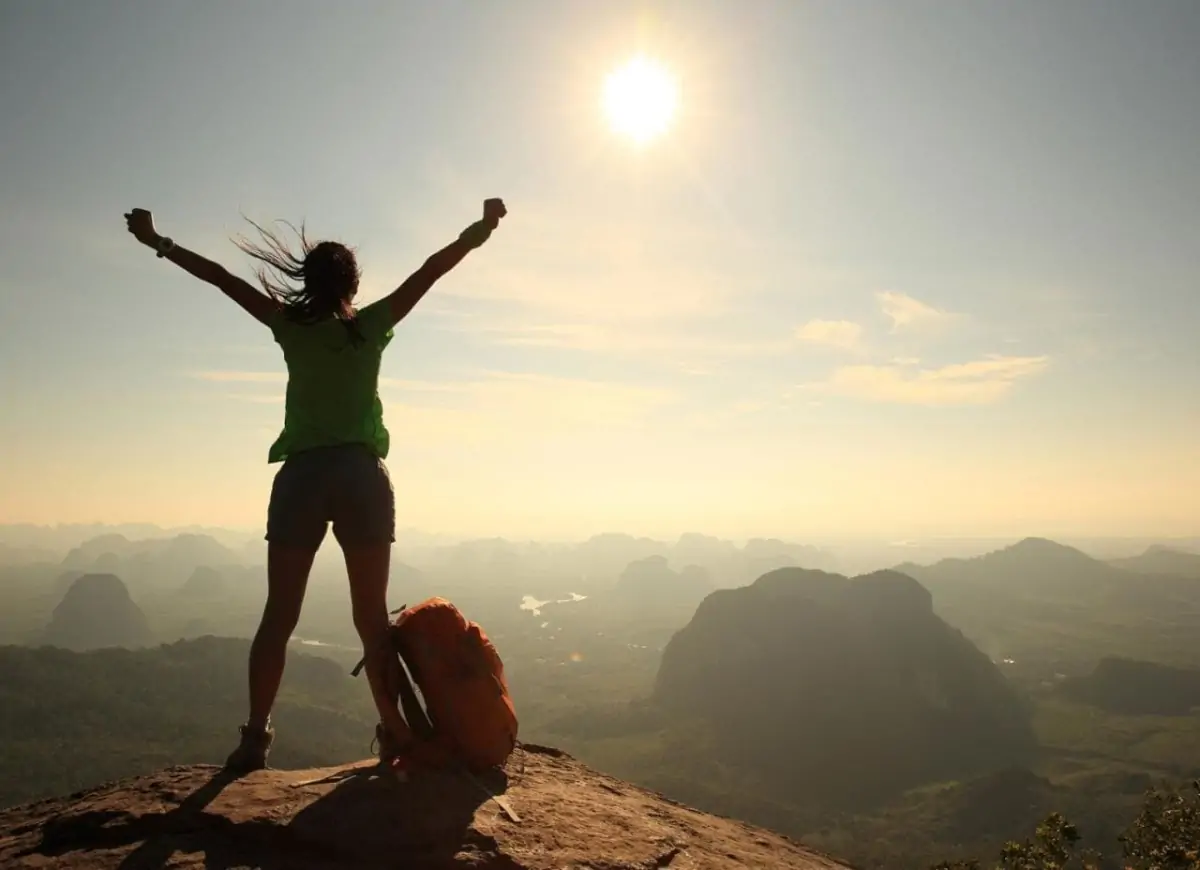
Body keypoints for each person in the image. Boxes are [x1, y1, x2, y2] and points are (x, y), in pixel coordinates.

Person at [123, 198, 508, 773]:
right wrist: (481, 229)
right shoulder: (371, 326)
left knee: (279, 616)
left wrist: (159, 241)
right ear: (352, 284)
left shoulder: (288, 326)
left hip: (302, 478)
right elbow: (431, 268)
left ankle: (255, 738)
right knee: (371, 618)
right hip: (361, 477)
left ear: (307, 282)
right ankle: (397, 731)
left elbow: (222, 279)